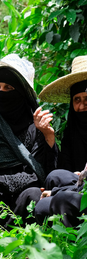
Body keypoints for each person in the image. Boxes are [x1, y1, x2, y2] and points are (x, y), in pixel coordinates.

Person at [0, 54, 57, 226]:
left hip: (22, 195)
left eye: (8, 87)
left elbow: (38, 175)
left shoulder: (34, 126)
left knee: (34, 196)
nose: (1, 93)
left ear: (21, 92)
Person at [34, 55, 87, 227]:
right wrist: (49, 137)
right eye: (77, 100)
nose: (82, 106)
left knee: (60, 200)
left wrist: (58, 192)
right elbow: (62, 171)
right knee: (54, 178)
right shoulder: (72, 132)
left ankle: (73, 247)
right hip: (79, 189)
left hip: (79, 192)